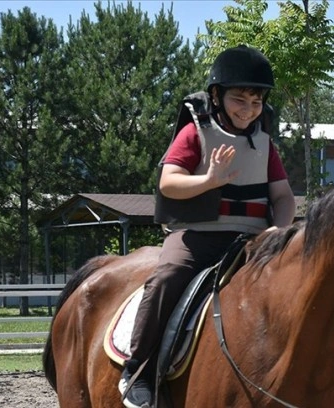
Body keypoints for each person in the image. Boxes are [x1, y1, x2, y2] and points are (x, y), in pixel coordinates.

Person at [121, 45, 296, 408]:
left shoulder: (265, 144)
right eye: (239, 99)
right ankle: (138, 368)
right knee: (167, 275)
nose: (248, 109)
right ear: (216, 96)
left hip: (253, 241)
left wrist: (278, 229)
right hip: (197, 236)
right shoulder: (194, 133)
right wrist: (209, 180)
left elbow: (283, 197)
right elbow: (169, 183)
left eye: (256, 102)